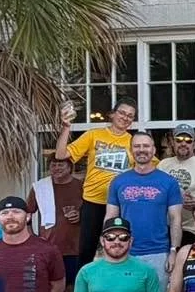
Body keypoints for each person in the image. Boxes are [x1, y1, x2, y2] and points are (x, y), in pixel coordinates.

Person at [106, 130, 184, 292]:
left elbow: (176, 219)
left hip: (158, 252)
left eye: (146, 146)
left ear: (153, 150)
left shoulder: (168, 182)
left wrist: (173, 251)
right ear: (132, 150)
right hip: (124, 252)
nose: (142, 150)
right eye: (137, 146)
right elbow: (110, 217)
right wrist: (105, 249)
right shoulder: (119, 181)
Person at [57, 100, 140, 266]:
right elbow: (60, 155)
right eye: (122, 113)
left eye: (130, 116)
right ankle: (84, 290)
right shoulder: (93, 135)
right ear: (112, 114)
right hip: (93, 201)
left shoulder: (133, 142)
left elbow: (151, 166)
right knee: (87, 251)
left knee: (119, 248)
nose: (125, 118)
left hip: (121, 204)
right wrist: (66, 127)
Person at [28, 154, 86, 292]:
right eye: (53, 165)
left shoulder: (81, 186)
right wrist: (32, 237)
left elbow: (93, 211)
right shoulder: (41, 187)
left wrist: (81, 215)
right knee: (51, 288)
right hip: (49, 246)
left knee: (75, 288)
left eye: (61, 165)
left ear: (70, 167)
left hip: (76, 247)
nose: (56, 168)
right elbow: (27, 214)